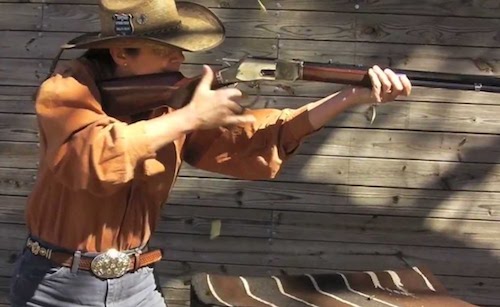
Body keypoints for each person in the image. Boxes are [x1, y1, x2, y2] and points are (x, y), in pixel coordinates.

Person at [9, 0, 412, 306]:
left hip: (137, 283)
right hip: (57, 282)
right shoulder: (64, 93)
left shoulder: (174, 100)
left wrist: (346, 97)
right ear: (120, 52)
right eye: (165, 47)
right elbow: (91, 158)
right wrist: (189, 117)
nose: (180, 57)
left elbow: (247, 143)